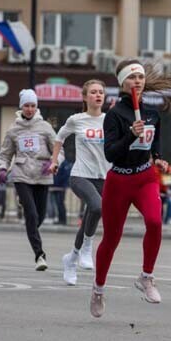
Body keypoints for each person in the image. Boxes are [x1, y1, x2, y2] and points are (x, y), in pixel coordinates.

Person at [90, 60, 171, 318]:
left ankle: (146, 277)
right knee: (111, 238)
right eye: (132, 78)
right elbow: (111, 154)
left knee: (154, 222)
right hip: (119, 180)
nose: (138, 81)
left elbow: (154, 145)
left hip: (145, 177)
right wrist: (130, 133)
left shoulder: (153, 113)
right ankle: (98, 289)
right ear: (122, 83)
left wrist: (159, 157)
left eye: (140, 77)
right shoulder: (115, 115)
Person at [51, 80, 109, 286]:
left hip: (104, 177)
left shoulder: (110, 120)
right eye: (93, 92)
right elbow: (59, 138)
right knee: (96, 206)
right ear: (85, 97)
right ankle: (86, 247)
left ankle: (71, 259)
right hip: (80, 175)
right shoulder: (76, 120)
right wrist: (54, 161)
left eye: (101, 92)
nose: (98, 95)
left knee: (89, 218)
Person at [0, 89, 56, 270]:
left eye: (32, 105)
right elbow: (5, 154)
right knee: (30, 214)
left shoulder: (45, 127)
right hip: (21, 175)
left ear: (36, 107)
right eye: (26, 106)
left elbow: (57, 150)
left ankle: (26, 206)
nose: (29, 109)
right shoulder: (14, 129)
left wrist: (54, 163)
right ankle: (40, 255)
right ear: (21, 107)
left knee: (38, 217)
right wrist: (2, 168)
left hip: (42, 175)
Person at [50, 157, 72, 225]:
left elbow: (65, 175)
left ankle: (62, 219)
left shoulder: (63, 163)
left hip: (60, 187)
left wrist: (61, 184)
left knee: (60, 203)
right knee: (57, 203)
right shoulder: (56, 161)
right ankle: (60, 219)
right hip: (55, 186)